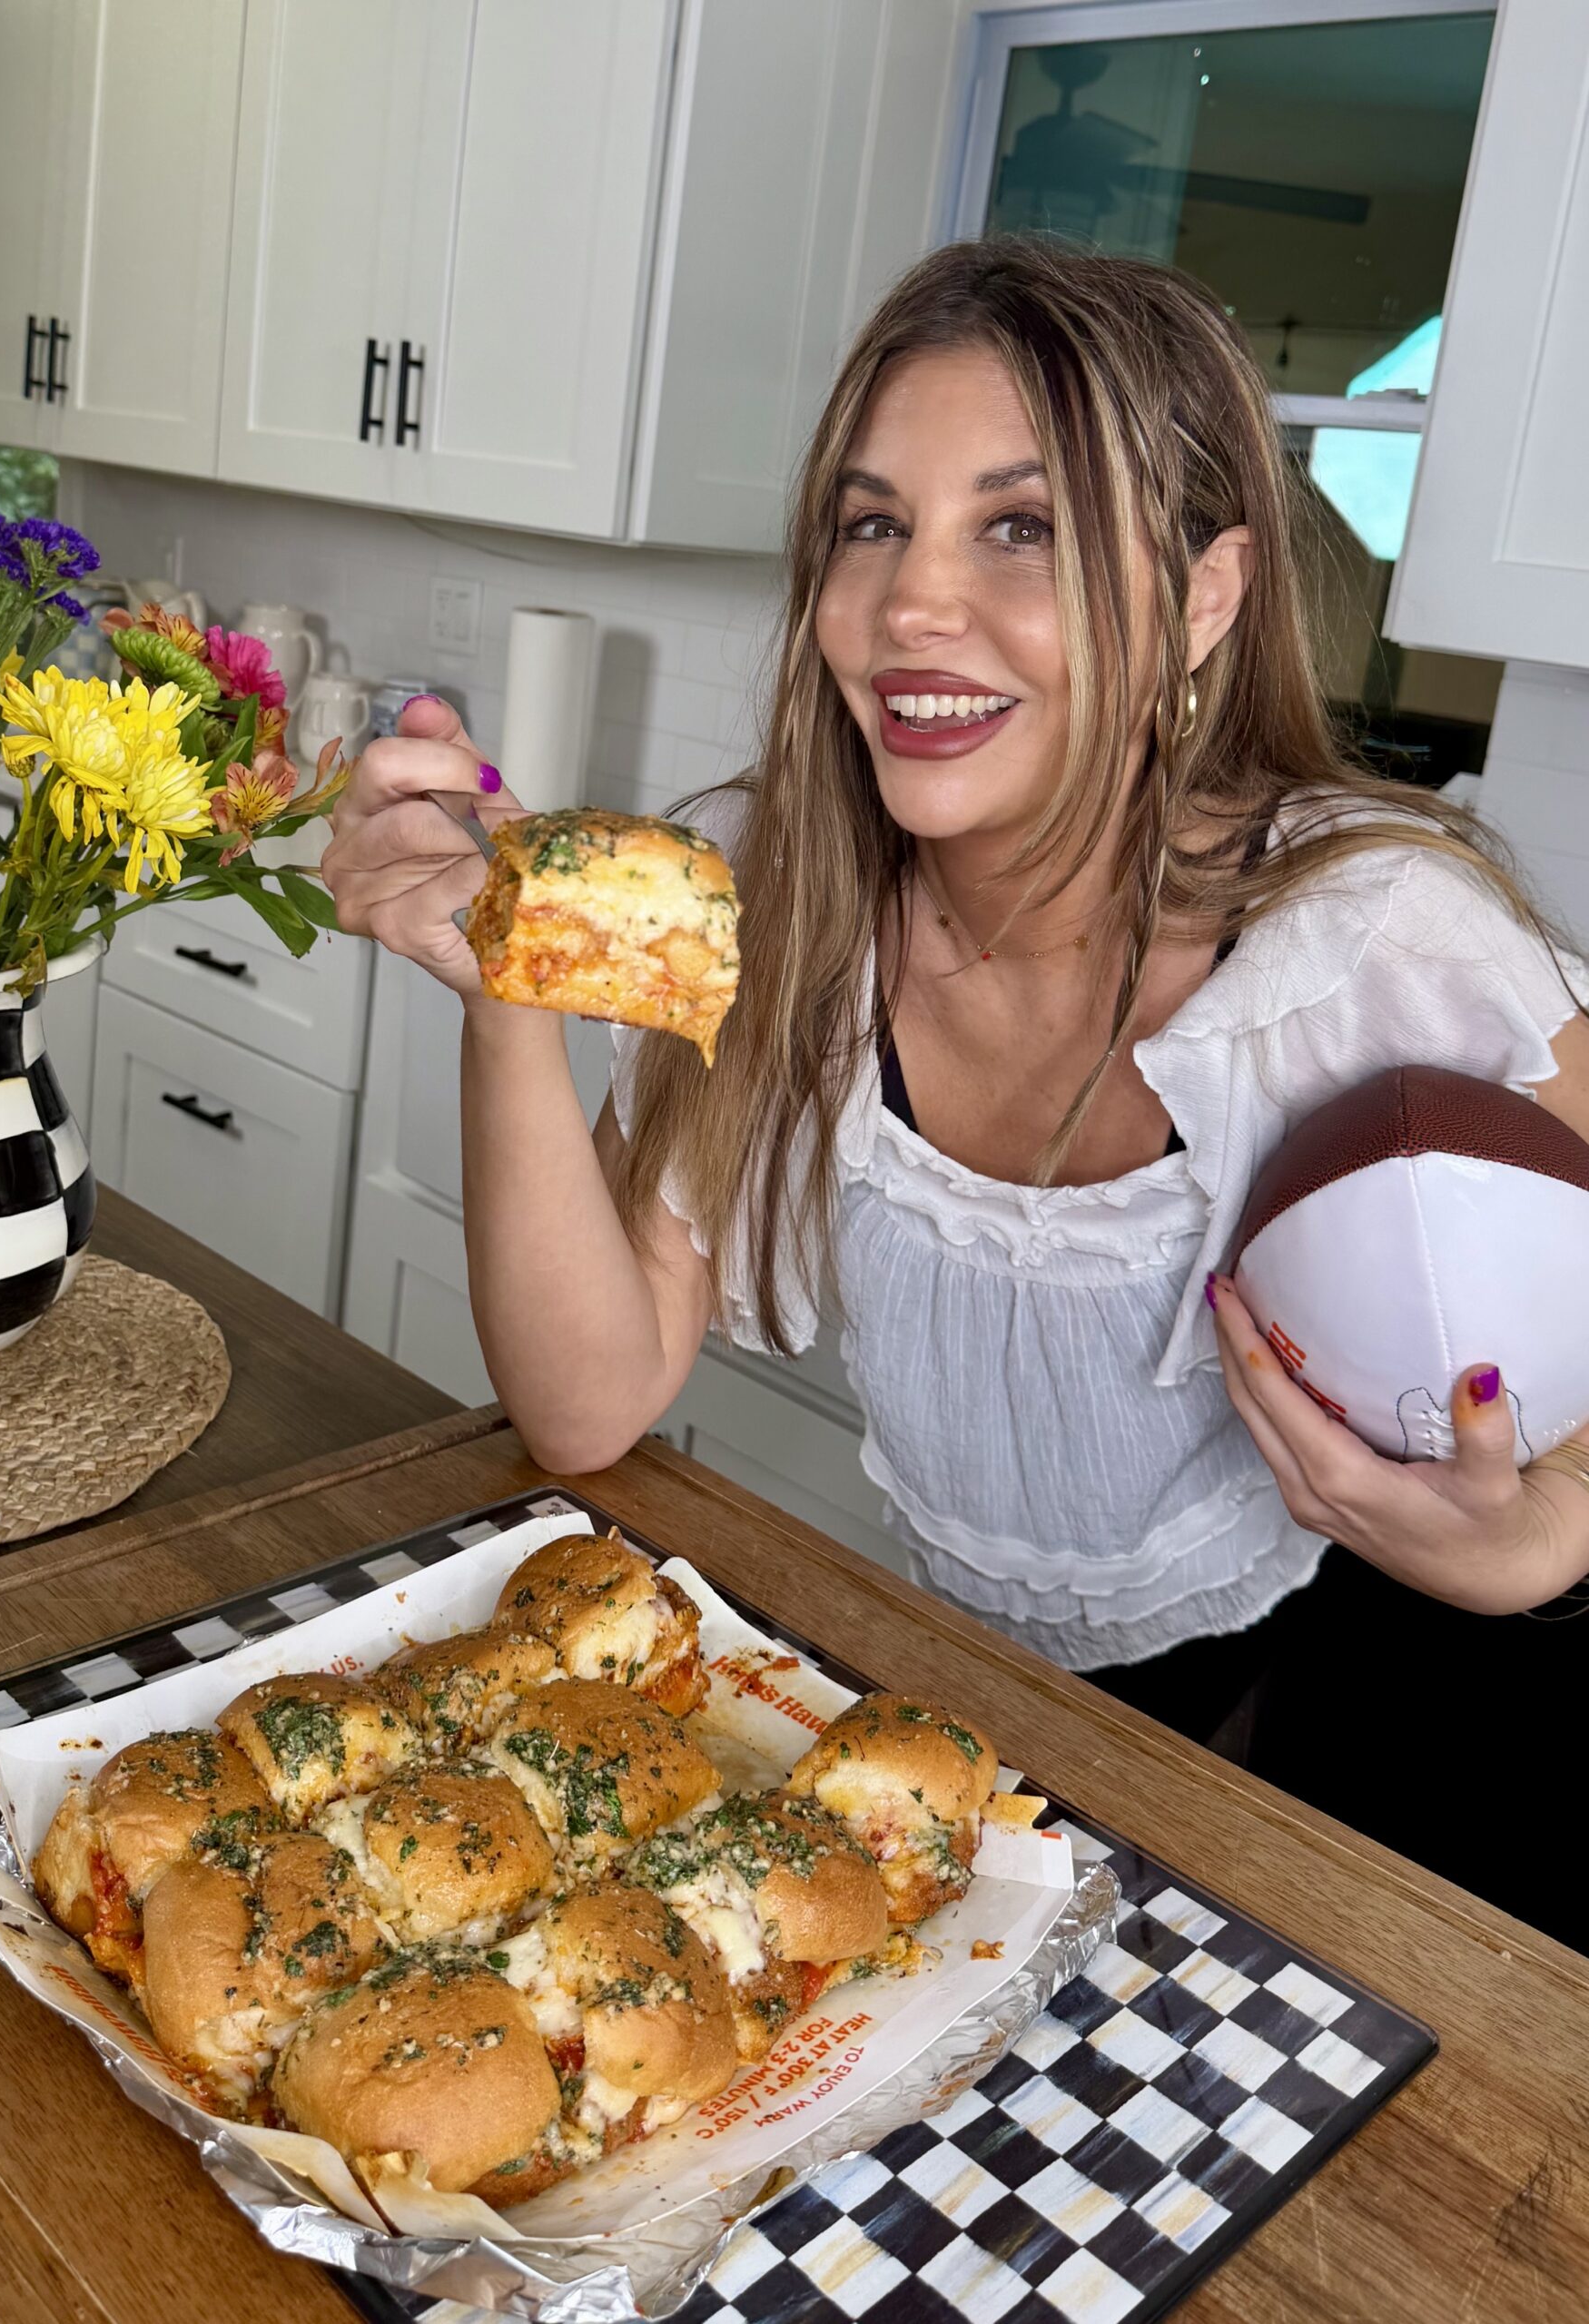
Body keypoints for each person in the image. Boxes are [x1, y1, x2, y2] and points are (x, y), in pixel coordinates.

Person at [325, 239, 1589, 1946]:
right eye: (871, 525)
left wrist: (1549, 1542)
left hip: (1390, 1728)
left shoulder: (1377, 941)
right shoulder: (779, 906)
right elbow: (586, 1401)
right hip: (988, 1716)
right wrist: (511, 1003)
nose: (913, 604)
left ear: (1208, 595)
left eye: (1023, 528)